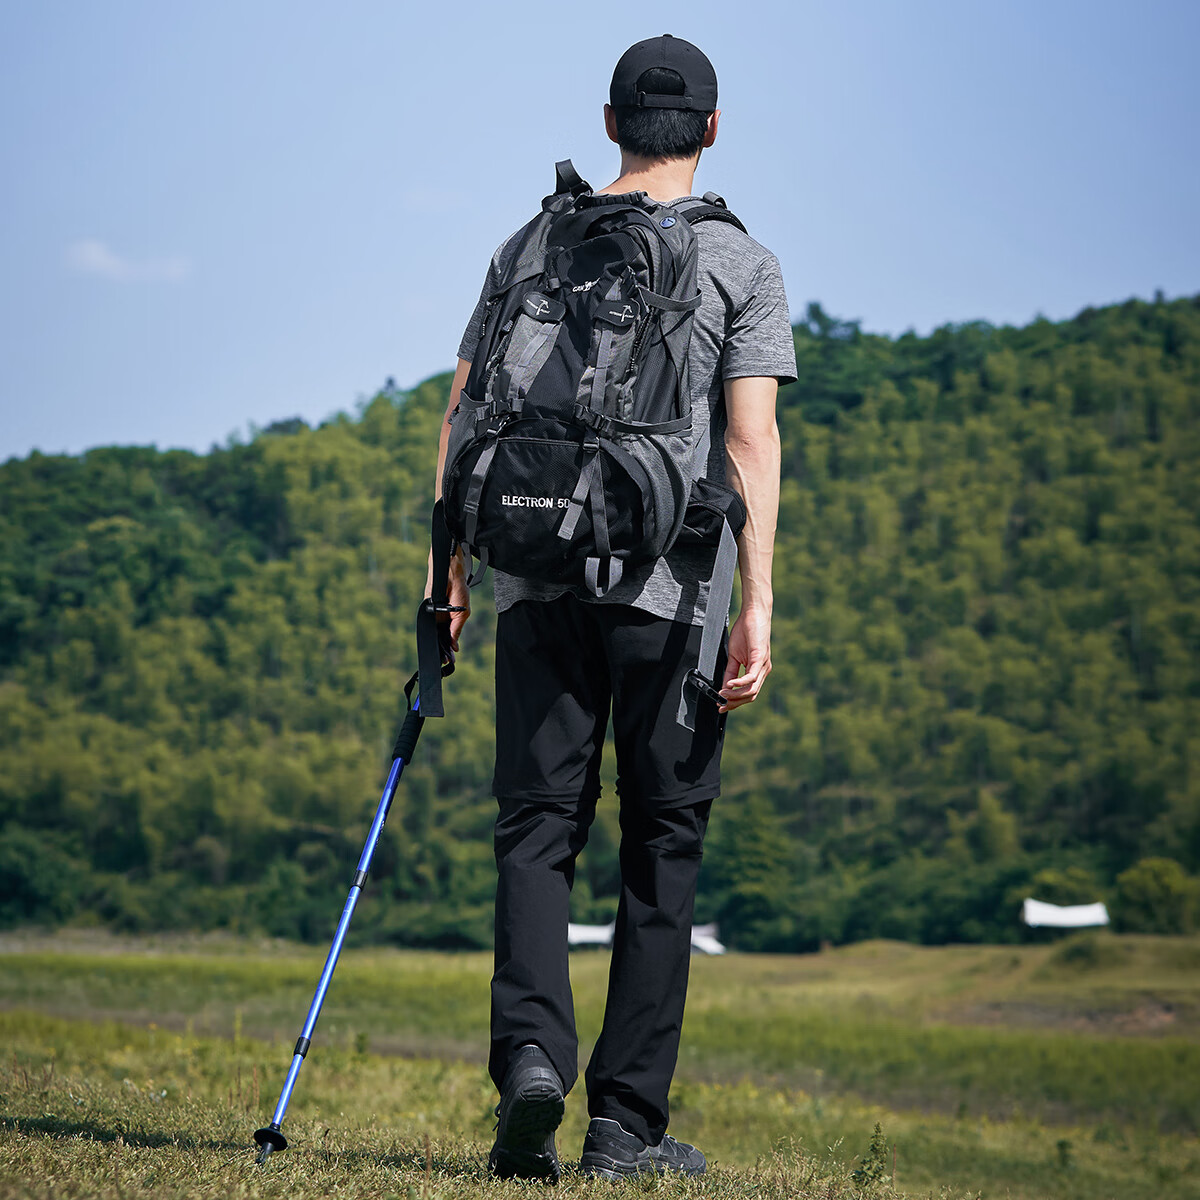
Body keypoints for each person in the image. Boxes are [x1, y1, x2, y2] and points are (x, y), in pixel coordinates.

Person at [428, 33, 797, 1183]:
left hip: (534, 574)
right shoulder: (743, 262)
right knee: (662, 843)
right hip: (673, 592)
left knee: (537, 832)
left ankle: (533, 1059)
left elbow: (460, 413)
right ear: (715, 129)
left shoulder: (530, 240)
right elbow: (749, 442)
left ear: (608, 125)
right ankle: (625, 1127)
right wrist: (758, 605)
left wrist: (447, 575)